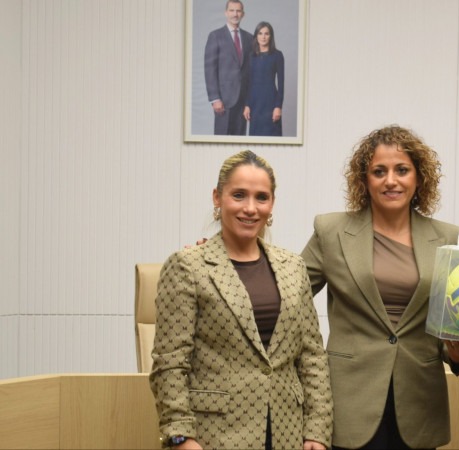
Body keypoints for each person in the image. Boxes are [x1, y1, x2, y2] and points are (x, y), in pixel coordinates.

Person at [301, 125, 459, 449]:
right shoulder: (331, 231)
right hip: (349, 402)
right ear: (364, 180)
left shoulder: (451, 239)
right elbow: (286, 292)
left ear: (419, 177)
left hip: (420, 404)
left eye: (402, 170)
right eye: (379, 171)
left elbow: (455, 321)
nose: (391, 180)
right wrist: (230, 257)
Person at [149, 150, 332, 450]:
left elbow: (312, 357)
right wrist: (180, 436)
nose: (250, 208)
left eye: (261, 197)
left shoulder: (293, 267)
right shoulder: (187, 266)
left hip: (288, 433)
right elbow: (169, 364)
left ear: (272, 203)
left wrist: (317, 431)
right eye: (238, 195)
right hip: (214, 436)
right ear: (217, 197)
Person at [204, 0, 252, 136]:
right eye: (232, 10)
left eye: (238, 11)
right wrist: (215, 98)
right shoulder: (215, 36)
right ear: (226, 13)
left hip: (243, 101)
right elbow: (209, 69)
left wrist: (250, 101)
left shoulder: (249, 38)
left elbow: (250, 71)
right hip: (223, 101)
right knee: (221, 140)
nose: (235, 14)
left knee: (239, 142)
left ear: (243, 14)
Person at [244, 21, 284, 137]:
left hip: (271, 104)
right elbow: (249, 83)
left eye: (267, 34)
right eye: (260, 33)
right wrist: (247, 105)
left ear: (271, 36)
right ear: (256, 36)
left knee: (273, 140)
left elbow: (281, 85)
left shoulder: (277, 55)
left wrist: (278, 107)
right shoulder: (251, 56)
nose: (263, 37)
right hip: (255, 105)